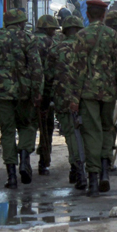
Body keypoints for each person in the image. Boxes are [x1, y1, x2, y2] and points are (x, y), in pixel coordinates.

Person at [73, 0, 117, 197]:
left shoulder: (81, 36)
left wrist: (73, 98)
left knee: (91, 133)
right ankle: (105, 172)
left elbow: (77, 70)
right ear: (103, 15)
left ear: (88, 15)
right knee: (108, 129)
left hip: (87, 94)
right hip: (109, 93)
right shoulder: (113, 35)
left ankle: (92, 180)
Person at [0, 9, 43, 189]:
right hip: (25, 92)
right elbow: (36, 67)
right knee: (27, 126)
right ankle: (24, 159)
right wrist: (37, 91)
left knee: (7, 132)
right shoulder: (29, 39)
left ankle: (11, 176)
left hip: (1, 93)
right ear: (22, 22)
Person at [45, 16, 87, 190]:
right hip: (85, 97)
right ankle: (85, 169)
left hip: (63, 97)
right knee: (86, 133)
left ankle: (77, 168)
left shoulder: (56, 48)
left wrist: (46, 98)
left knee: (70, 134)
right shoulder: (86, 47)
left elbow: (47, 76)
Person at [33, 15, 60, 176]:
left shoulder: (28, 40)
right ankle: (44, 162)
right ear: (47, 28)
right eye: (53, 29)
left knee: (28, 127)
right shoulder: (52, 44)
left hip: (29, 91)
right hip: (47, 92)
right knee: (46, 128)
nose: (55, 32)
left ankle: (22, 161)